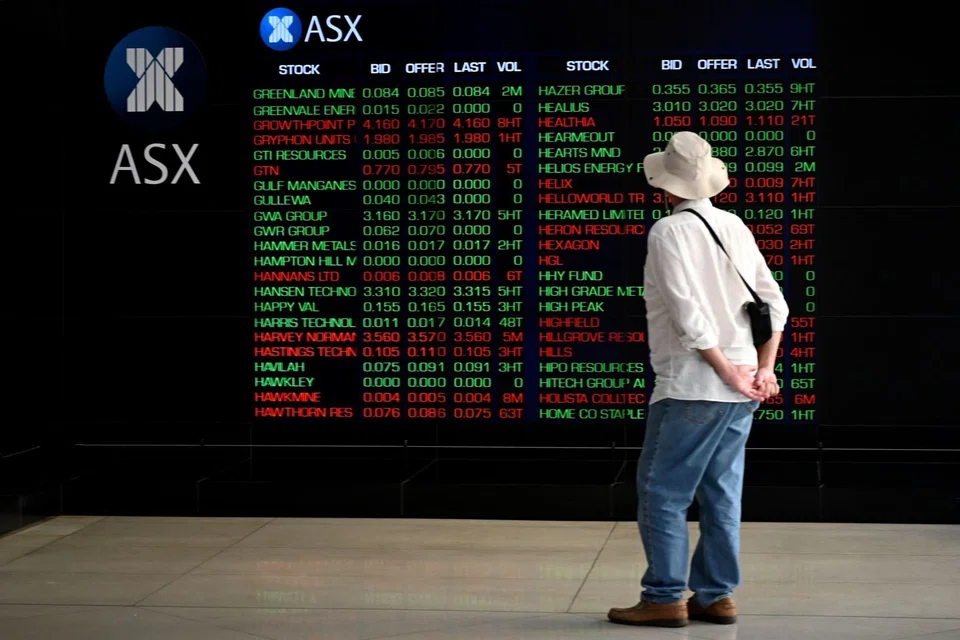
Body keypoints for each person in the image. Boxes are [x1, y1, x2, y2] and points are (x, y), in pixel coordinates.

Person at [607, 131, 789, 628]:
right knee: (721, 493)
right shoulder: (734, 225)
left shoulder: (667, 232)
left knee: (662, 492)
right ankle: (716, 595)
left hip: (691, 386)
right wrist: (763, 369)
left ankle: (664, 596)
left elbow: (688, 317)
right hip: (743, 388)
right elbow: (774, 305)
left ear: (666, 184)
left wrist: (725, 371)